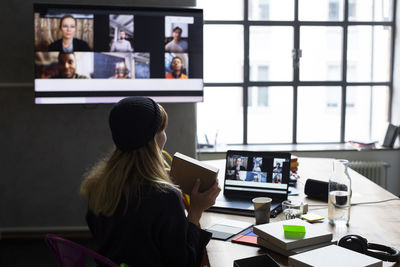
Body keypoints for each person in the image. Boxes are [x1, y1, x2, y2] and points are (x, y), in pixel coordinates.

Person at [80, 96, 220, 266]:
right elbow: (186, 263)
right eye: (162, 130)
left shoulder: (98, 186)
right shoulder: (165, 197)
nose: (165, 136)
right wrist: (196, 211)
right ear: (154, 139)